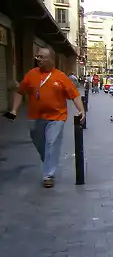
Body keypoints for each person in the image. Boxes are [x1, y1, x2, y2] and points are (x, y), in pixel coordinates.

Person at [3, 48, 86, 188]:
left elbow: (75, 95)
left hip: (57, 117)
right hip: (35, 117)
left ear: (51, 60)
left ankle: (48, 175)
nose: (38, 59)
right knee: (39, 143)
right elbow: (20, 92)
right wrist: (14, 110)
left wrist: (81, 110)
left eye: (42, 57)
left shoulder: (60, 77)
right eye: (37, 56)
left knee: (52, 143)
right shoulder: (31, 75)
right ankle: (49, 160)